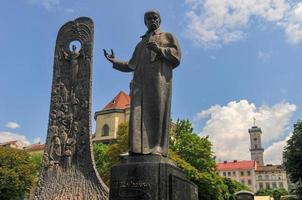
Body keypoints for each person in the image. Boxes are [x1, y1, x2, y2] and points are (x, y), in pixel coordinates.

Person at [103, 10, 181, 156]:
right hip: (140, 84)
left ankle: (157, 147)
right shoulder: (141, 44)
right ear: (145, 22)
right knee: (136, 114)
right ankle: (135, 149)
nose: (152, 20)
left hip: (159, 82)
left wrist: (159, 50)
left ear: (159, 20)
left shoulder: (168, 37)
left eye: (155, 18)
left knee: (157, 112)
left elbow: (177, 56)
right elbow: (131, 65)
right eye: (149, 18)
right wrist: (114, 61)